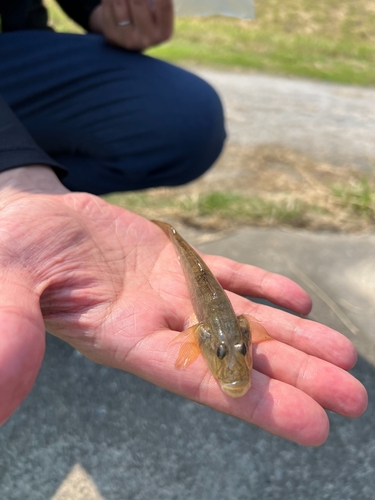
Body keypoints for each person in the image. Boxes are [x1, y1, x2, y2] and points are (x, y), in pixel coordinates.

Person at [0, 0, 367, 446]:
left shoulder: (233, 336)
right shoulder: (210, 335)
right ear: (203, 338)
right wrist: (14, 177)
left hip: (16, 38)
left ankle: (104, 207)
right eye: (223, 351)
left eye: (236, 352)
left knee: (186, 116)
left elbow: (242, 332)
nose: (235, 369)